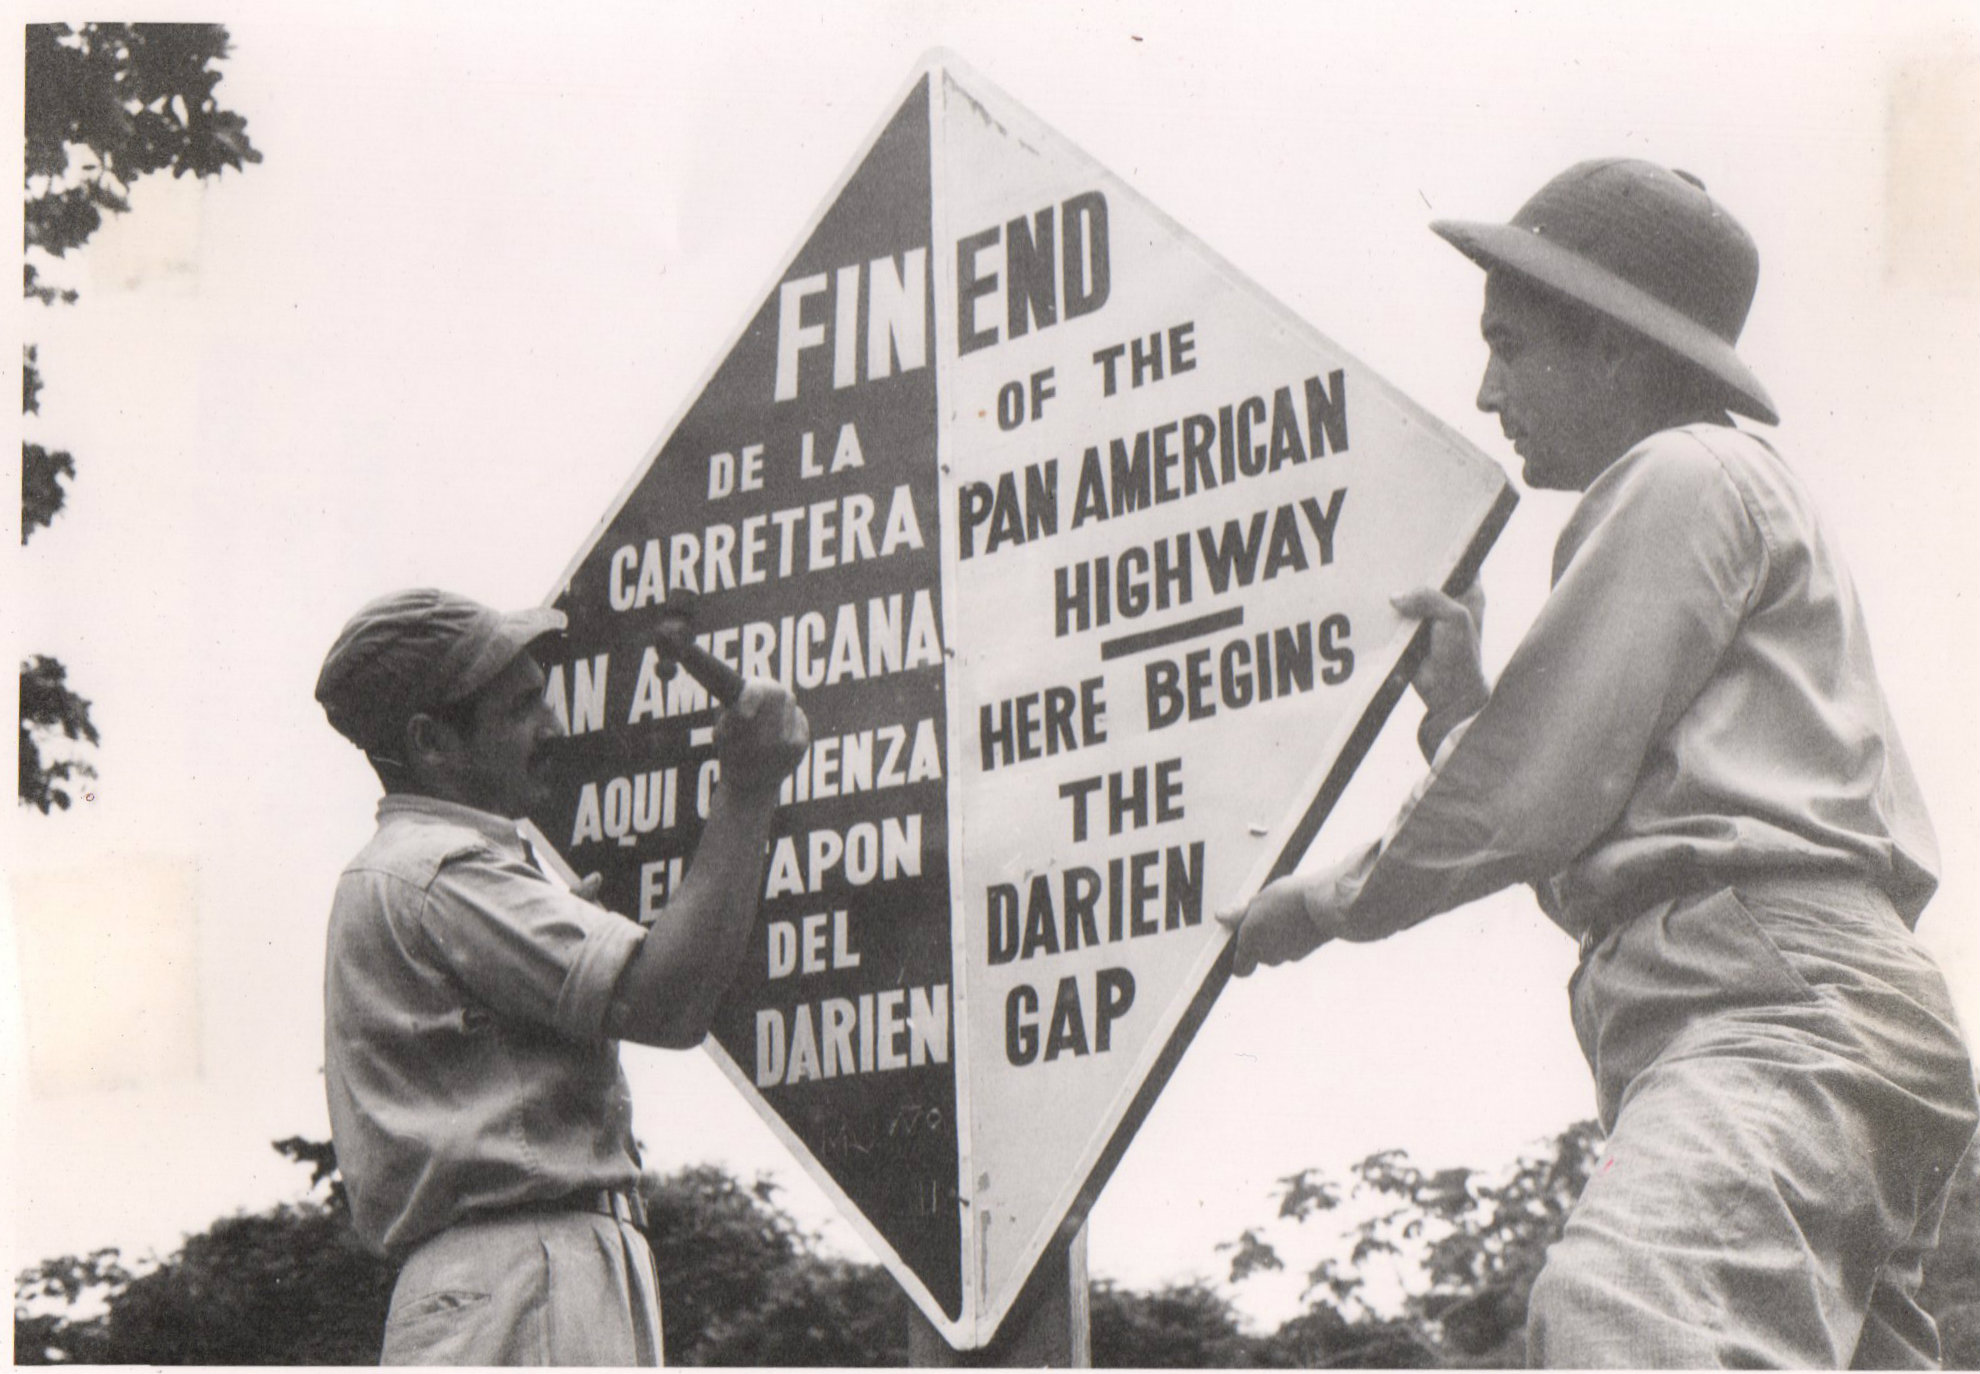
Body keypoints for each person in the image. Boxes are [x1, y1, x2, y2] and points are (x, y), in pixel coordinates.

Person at [1219, 159, 1978, 1367]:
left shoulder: (1682, 473)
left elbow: (1526, 803)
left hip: (1778, 1017)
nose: (1484, 389)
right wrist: (1465, 714)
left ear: (1618, 351)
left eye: (1511, 346)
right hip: (1794, 1014)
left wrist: (1318, 905)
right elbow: (1584, 842)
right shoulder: (1725, 491)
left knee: (1623, 1317)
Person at [313, 588, 808, 1365]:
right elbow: (668, 1003)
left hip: (528, 1270)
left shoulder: (426, 871)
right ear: (432, 742)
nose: (552, 727)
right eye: (519, 709)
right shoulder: (440, 870)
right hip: (525, 1271)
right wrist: (747, 786)